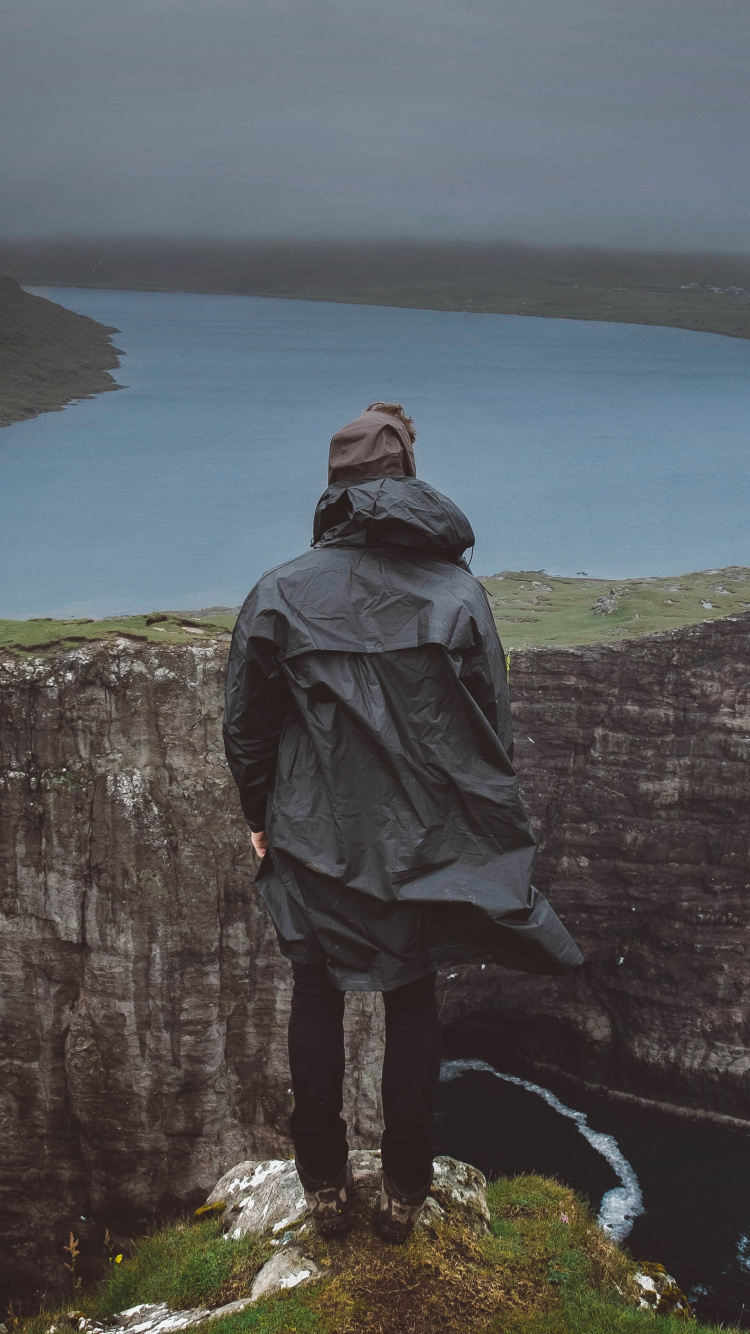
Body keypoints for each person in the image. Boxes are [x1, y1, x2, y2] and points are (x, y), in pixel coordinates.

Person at [223, 402, 583, 1244]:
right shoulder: (457, 592)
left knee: (316, 991)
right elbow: (493, 725)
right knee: (411, 995)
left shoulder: (279, 592)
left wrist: (260, 816)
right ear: (407, 480)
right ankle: (404, 1192)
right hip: (425, 846)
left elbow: (247, 724)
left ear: (336, 488)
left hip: (313, 838)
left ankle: (321, 1186)